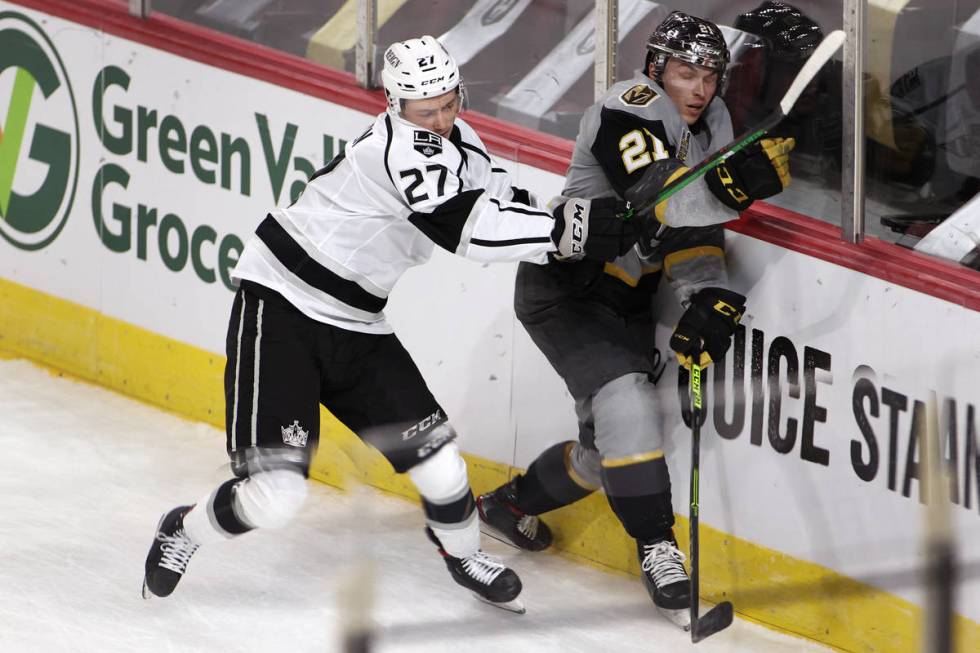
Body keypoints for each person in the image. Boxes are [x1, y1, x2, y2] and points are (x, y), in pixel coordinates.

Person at [141, 35, 638, 613]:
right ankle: (183, 530)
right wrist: (565, 235)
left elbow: (509, 203)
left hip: (357, 322)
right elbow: (467, 231)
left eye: (451, 103)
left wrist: (578, 221)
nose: (443, 120)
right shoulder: (400, 152)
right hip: (282, 307)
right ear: (394, 106)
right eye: (426, 111)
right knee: (275, 497)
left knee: (441, 461)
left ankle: (463, 553)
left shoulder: (464, 143)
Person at [476, 12, 794, 625]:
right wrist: (730, 188)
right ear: (656, 71)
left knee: (608, 451)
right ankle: (659, 549)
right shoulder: (628, 106)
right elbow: (659, 196)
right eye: (685, 72)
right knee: (628, 408)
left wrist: (706, 293)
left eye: (709, 74)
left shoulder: (716, 122)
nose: (699, 89)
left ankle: (507, 506)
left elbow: (693, 228)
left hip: (626, 296)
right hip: (566, 287)